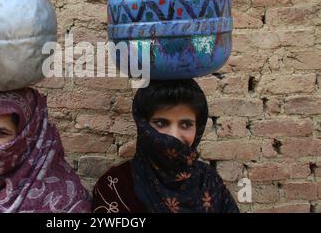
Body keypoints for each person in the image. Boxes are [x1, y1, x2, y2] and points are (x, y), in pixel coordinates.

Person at [92, 79, 239, 213]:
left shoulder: (209, 180)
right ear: (143, 126)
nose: (173, 136)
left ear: (198, 129)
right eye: (161, 123)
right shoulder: (116, 186)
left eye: (186, 124)